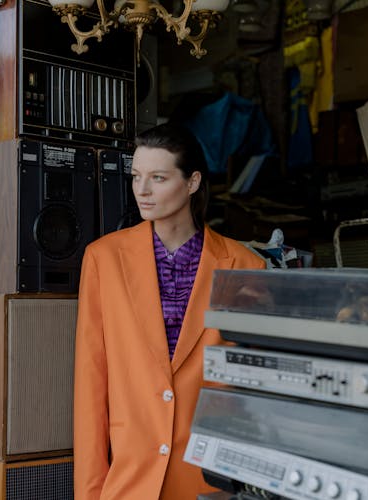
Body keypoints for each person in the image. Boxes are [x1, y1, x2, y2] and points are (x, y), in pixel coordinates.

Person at [73, 123, 265, 499]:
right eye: (136, 177)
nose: (142, 190)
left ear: (192, 183)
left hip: (208, 483)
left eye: (158, 178)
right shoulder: (103, 259)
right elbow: (91, 383)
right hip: (130, 482)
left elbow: (248, 394)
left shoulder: (244, 266)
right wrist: (90, 492)